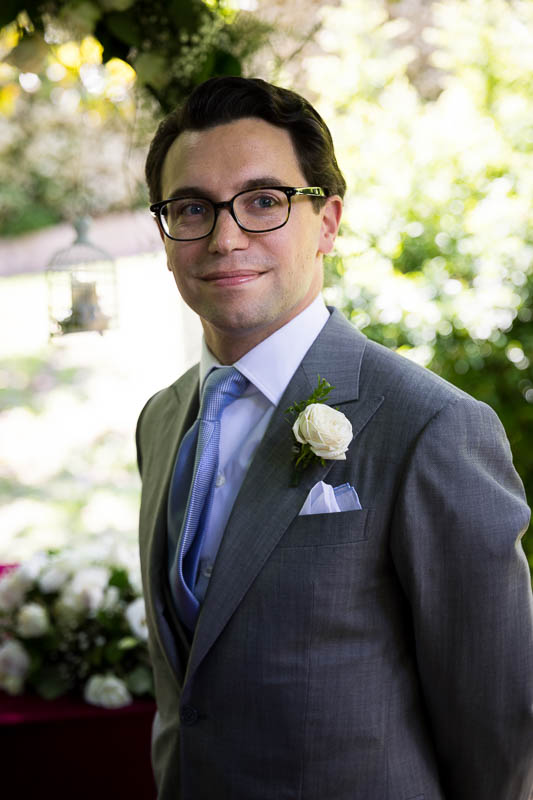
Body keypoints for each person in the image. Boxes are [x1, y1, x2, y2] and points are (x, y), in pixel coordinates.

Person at [136, 76, 533, 800]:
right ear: (165, 237)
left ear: (326, 221)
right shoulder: (161, 422)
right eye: (191, 208)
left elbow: (498, 722)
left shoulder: (431, 427)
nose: (225, 237)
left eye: (263, 201)